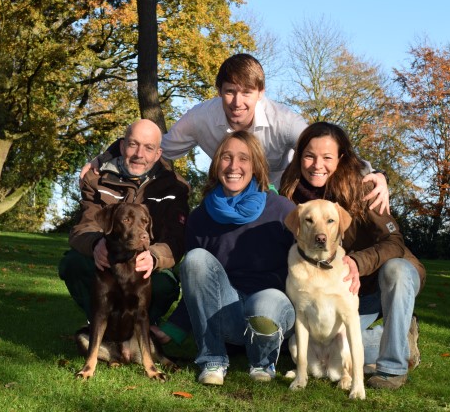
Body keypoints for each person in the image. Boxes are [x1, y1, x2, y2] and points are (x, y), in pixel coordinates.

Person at [80, 53, 391, 212]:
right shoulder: (200, 118)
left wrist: (374, 173)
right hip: (229, 189)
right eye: (229, 92)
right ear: (219, 91)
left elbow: (325, 150)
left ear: (261, 93)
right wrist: (104, 158)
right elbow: (157, 148)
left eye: (246, 93)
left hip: (280, 193)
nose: (237, 102)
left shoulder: (284, 120)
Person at [279, 122, 426, 390]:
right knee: (326, 344)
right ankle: (399, 337)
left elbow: (394, 241)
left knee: (396, 269)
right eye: (309, 156)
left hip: (378, 282)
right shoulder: (289, 193)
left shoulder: (365, 189)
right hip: (334, 288)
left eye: (327, 157)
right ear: (299, 156)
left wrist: (357, 262)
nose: (317, 165)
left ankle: (392, 367)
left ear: (341, 158)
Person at [177, 130, 296, 385]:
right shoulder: (200, 216)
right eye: (226, 157)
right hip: (226, 313)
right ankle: (212, 360)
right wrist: (173, 329)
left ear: (256, 165)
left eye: (243, 158)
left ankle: (262, 363)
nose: (233, 166)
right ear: (216, 164)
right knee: (195, 259)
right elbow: (195, 284)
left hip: (272, 309)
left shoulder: (282, 210)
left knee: (265, 303)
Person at [58, 119, 190, 329]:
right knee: (73, 263)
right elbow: (84, 227)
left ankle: (142, 327)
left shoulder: (175, 187)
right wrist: (95, 244)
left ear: (158, 154)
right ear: (121, 146)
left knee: (164, 285)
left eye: (149, 148)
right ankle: (99, 322)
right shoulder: (96, 179)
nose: (139, 154)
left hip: (145, 264)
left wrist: (154, 256)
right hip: (109, 261)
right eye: (133, 144)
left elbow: (176, 239)